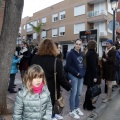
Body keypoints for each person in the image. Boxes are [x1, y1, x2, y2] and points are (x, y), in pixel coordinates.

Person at [30, 39, 71, 120]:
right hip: (50, 92)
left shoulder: (34, 58)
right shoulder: (56, 61)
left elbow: (30, 74)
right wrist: (69, 86)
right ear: (53, 48)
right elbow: (61, 79)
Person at [66, 39, 85, 119]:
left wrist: (83, 72)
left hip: (80, 76)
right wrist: (76, 73)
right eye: (77, 44)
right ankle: (72, 110)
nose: (78, 45)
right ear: (74, 44)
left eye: (79, 44)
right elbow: (68, 66)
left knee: (79, 93)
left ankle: (77, 108)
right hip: (74, 76)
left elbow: (82, 64)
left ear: (81, 45)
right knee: (73, 93)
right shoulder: (70, 53)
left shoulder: (80, 53)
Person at [83, 40, 98, 111]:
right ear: (94, 46)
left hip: (88, 74)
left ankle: (86, 104)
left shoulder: (88, 52)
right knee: (90, 91)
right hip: (91, 75)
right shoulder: (93, 53)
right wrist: (95, 76)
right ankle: (88, 105)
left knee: (89, 90)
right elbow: (93, 66)